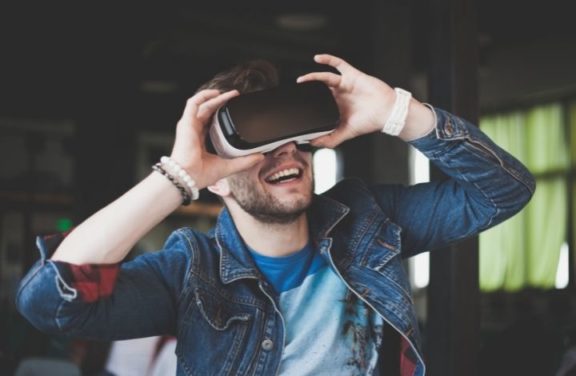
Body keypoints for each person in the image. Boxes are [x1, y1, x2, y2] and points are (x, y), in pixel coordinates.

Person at [16, 54, 535, 375]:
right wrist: (178, 176)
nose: (286, 154)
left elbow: (502, 192)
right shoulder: (190, 272)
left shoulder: (369, 221)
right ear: (215, 177)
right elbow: (50, 304)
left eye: (294, 140)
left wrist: (397, 113)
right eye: (257, 147)